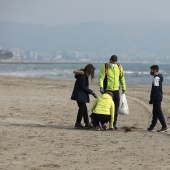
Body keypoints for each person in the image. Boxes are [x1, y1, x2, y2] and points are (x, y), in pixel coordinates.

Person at [99, 55, 126, 129]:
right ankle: (104, 123)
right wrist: (101, 87)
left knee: (116, 107)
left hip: (116, 90)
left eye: (114, 62)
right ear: (110, 60)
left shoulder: (119, 67)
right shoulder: (105, 66)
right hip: (108, 90)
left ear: (116, 61)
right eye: (112, 62)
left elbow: (122, 78)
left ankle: (114, 123)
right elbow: (101, 77)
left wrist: (124, 87)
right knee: (107, 107)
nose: (113, 63)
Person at [71, 64, 97, 129]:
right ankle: (78, 123)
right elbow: (83, 87)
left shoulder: (83, 76)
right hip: (79, 95)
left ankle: (87, 123)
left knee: (84, 108)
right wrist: (91, 92)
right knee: (82, 108)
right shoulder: (83, 76)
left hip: (79, 95)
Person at [148, 65, 169, 132]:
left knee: (158, 112)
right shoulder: (158, 77)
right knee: (155, 112)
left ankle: (164, 126)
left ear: (155, 70)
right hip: (157, 97)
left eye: (151, 70)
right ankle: (152, 126)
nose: (150, 71)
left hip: (157, 97)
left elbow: (156, 90)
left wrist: (153, 98)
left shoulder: (156, 78)